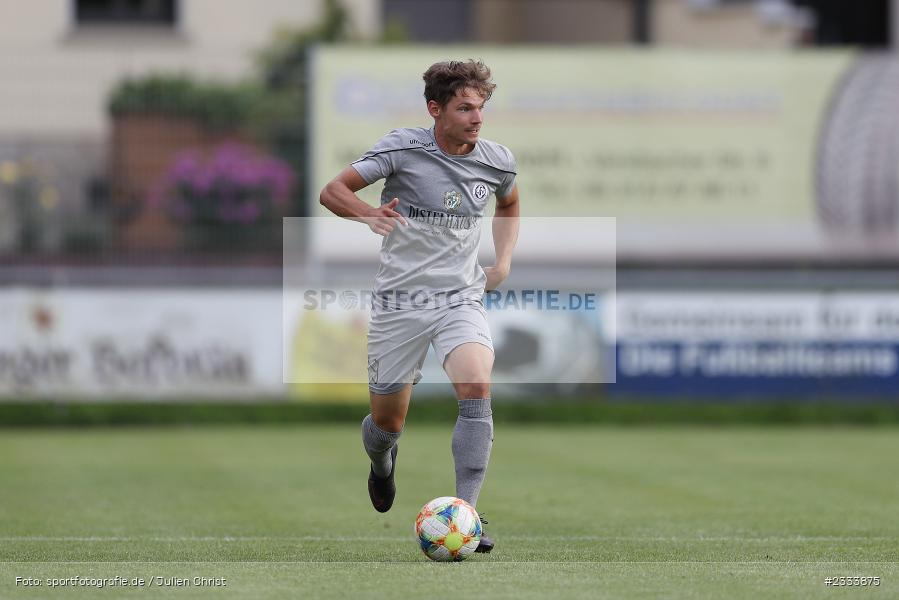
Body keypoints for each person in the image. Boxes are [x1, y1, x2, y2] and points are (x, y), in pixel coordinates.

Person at [319, 59, 519, 553]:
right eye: (465, 108)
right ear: (436, 109)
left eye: (481, 108)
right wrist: (369, 213)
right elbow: (333, 191)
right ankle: (382, 463)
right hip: (400, 302)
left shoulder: (496, 160)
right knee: (387, 423)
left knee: (476, 387)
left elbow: (510, 203)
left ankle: (467, 514)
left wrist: (504, 262)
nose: (477, 118)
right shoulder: (402, 149)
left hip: (460, 297)